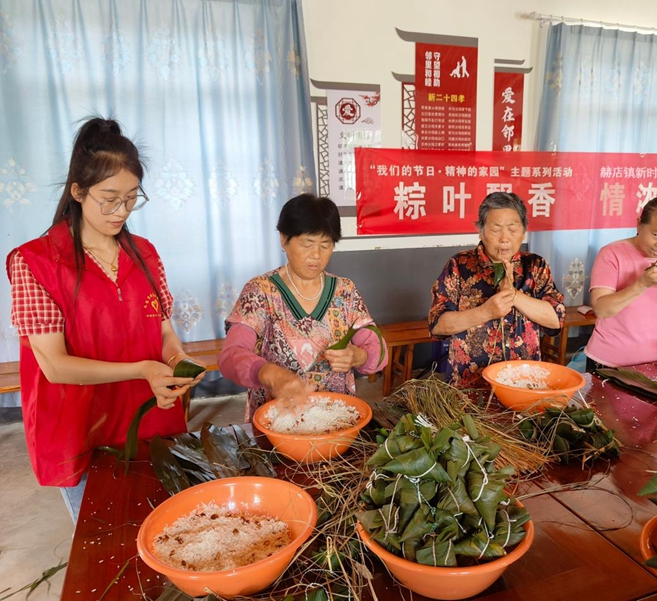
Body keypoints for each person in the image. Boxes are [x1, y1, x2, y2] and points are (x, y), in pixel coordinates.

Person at [6, 118, 203, 522]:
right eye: (109, 199)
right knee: (104, 539)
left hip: (151, 417)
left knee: (167, 530)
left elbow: (164, 331)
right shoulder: (35, 262)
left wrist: (177, 361)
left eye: (131, 198)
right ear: (78, 191)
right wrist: (143, 369)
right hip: (82, 429)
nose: (122, 211)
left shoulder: (145, 254)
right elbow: (55, 366)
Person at [219, 194, 387, 421]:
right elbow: (231, 356)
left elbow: (379, 351)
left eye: (325, 245)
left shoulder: (345, 292)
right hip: (277, 421)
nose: (316, 255)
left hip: (335, 421)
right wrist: (267, 372)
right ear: (283, 239)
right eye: (307, 244)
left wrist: (359, 356)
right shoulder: (260, 292)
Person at [428, 191, 565, 389]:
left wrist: (514, 295)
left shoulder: (535, 266)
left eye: (512, 229)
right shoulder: (459, 265)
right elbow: (437, 325)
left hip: (524, 384)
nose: (504, 239)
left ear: (524, 232)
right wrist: (486, 312)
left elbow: (555, 321)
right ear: (480, 231)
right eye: (495, 229)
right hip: (470, 385)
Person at [584, 197, 657, 370]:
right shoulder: (612, 253)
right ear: (639, 225)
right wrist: (642, 284)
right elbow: (601, 309)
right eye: (656, 234)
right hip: (609, 362)